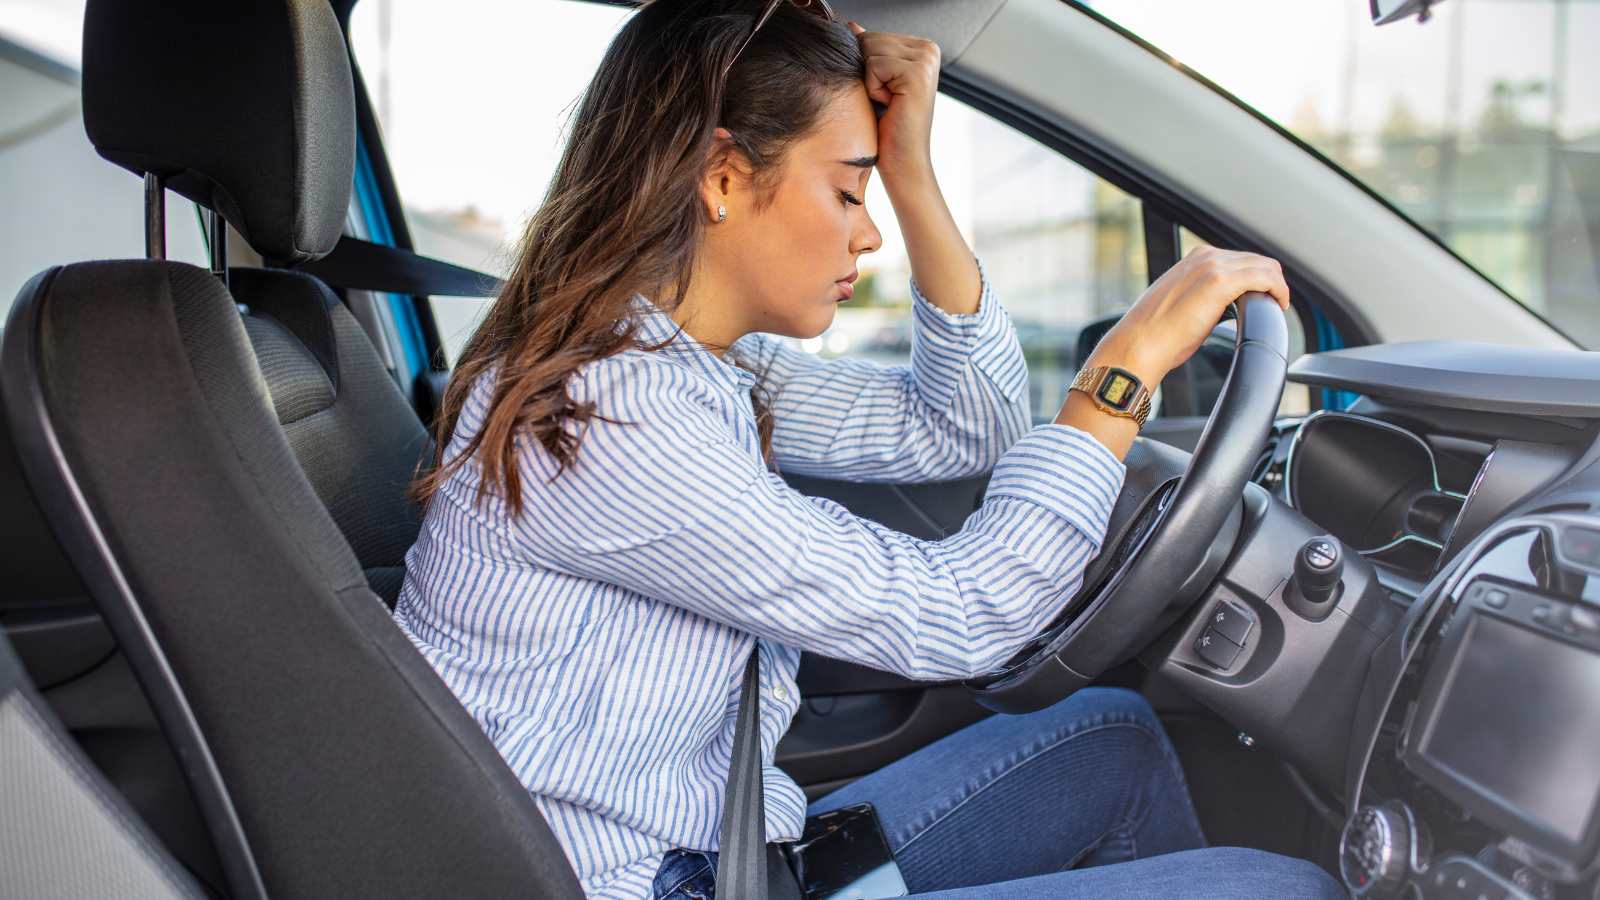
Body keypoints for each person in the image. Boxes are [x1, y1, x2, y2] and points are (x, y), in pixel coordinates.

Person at [394, 1, 1344, 898]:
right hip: (654, 879)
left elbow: (965, 421)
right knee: (1288, 890)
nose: (871, 231)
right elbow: (963, 616)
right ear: (722, 178)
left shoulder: (683, 362)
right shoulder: (614, 419)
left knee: (1114, 736)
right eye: (850, 189)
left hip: (723, 849)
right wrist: (1122, 373)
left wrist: (910, 167)